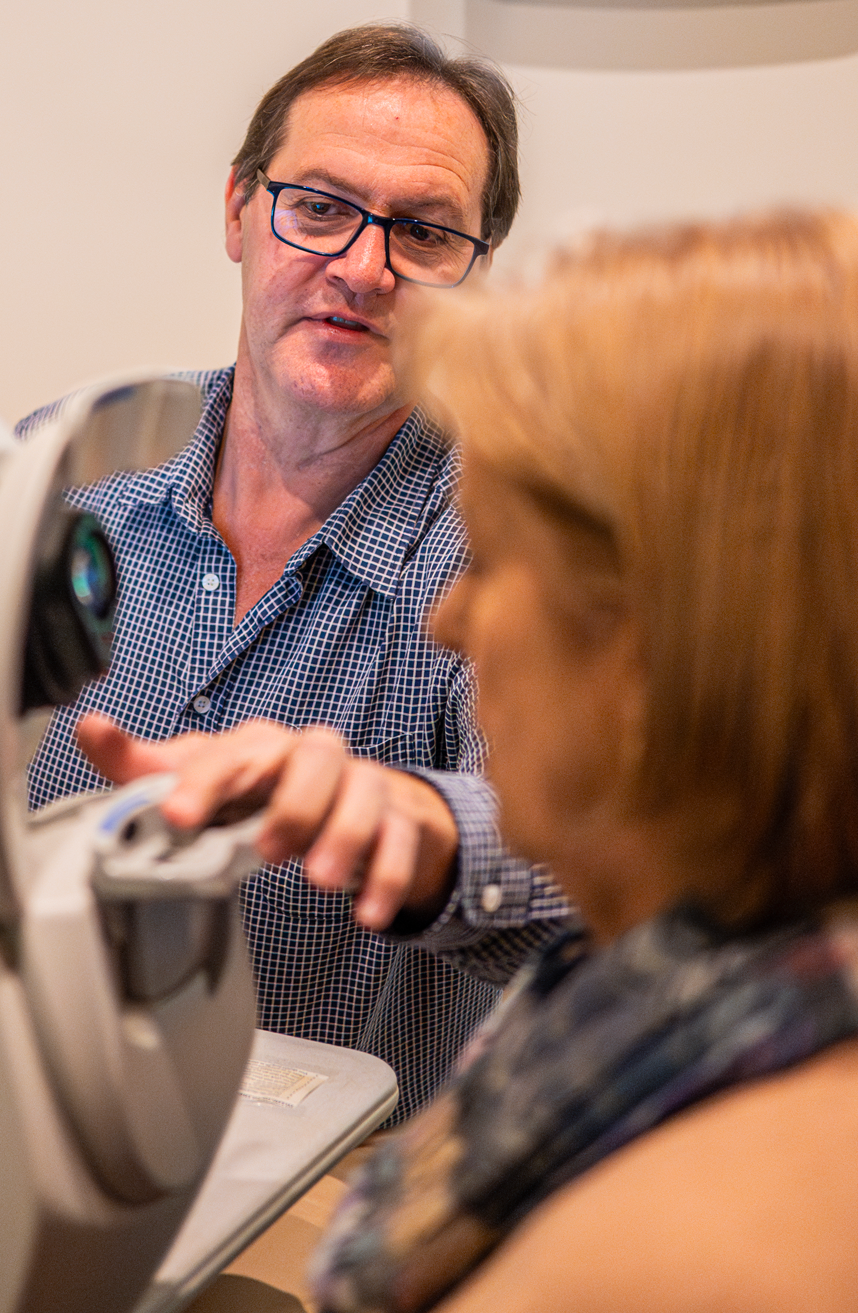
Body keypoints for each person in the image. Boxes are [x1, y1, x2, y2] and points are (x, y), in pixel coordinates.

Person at [303, 209, 858, 1310]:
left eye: (491, 559)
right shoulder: (707, 984)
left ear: (657, 643)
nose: (446, 622)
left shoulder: (687, 1255)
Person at [23, 24, 568, 1122]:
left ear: (476, 274)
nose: (362, 269)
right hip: (14, 1130)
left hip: (316, 1211)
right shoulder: (71, 469)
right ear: (237, 211)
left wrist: (405, 826)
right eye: (316, 207)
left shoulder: (517, 540)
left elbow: (576, 846)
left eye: (420, 233)